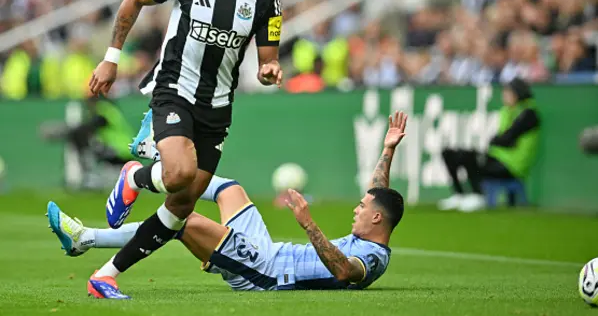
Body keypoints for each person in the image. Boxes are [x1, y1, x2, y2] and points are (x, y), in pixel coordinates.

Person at [86, 0, 284, 297]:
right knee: (177, 173)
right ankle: (133, 177)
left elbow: (267, 58)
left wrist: (270, 69)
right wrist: (111, 58)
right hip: (174, 91)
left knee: (180, 207)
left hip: (219, 107)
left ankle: (106, 274)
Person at [46, 111, 408, 296]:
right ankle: (149, 167)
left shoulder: (372, 259)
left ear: (377, 219)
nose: (356, 209)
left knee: (182, 220)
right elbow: (379, 192)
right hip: (268, 249)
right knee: (228, 188)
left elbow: (345, 272)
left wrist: (307, 223)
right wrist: (388, 149)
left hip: (264, 272)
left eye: (362, 208)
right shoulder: (375, 224)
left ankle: (87, 239)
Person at [437, 78, 541, 212]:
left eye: (507, 92)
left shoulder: (529, 114)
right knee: (449, 153)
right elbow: (501, 139)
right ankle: (459, 195)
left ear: (517, 93)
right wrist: (498, 140)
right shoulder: (508, 111)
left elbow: (506, 138)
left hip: (513, 165)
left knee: (469, 157)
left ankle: (478, 195)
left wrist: (498, 140)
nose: (504, 95)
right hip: (499, 157)